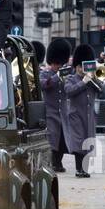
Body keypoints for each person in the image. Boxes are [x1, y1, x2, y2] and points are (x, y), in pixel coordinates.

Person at [63, 44, 99, 178]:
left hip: (89, 115)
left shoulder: (92, 79)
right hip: (76, 115)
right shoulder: (71, 79)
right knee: (79, 142)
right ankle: (79, 169)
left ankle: (85, 169)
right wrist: (83, 82)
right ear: (77, 67)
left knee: (88, 141)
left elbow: (102, 90)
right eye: (80, 67)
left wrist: (94, 79)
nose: (82, 69)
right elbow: (69, 91)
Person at [39, 38, 71, 173]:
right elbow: (44, 85)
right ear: (52, 62)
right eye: (57, 64)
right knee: (52, 139)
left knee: (63, 140)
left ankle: (59, 162)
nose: (58, 66)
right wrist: (58, 76)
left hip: (63, 112)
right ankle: (52, 162)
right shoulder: (44, 73)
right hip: (50, 112)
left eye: (60, 64)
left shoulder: (67, 75)